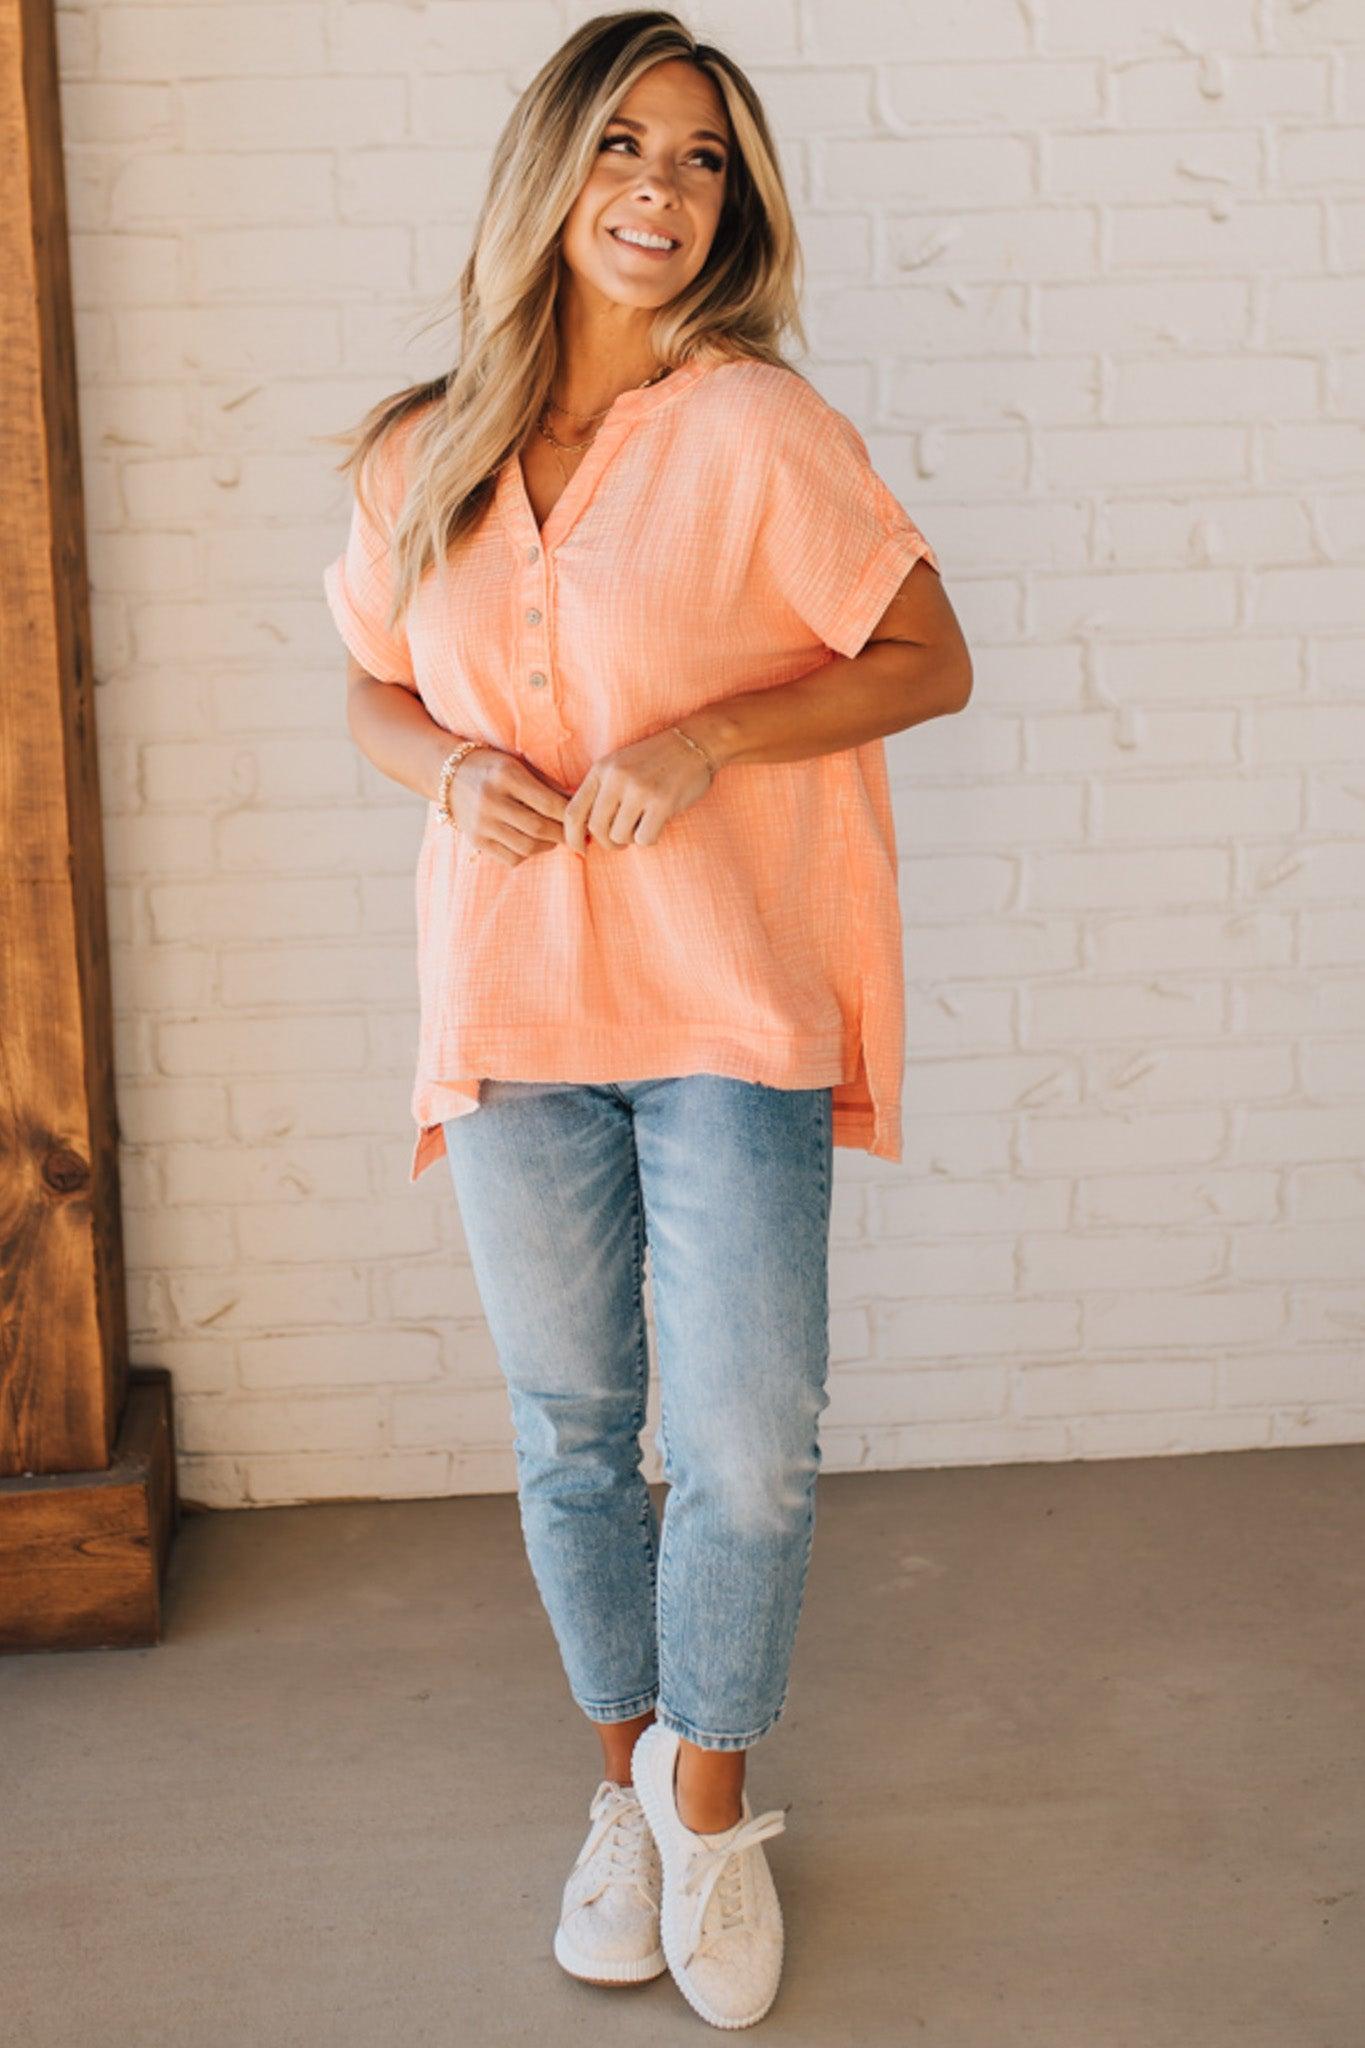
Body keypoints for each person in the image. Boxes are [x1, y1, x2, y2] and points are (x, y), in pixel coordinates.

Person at [322, 9, 972, 2031]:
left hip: (724, 1006)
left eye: (702, 161)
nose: (661, 194)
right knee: (570, 1441)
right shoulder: (418, 448)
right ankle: (616, 1792)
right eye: (623, 146)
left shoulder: (758, 429)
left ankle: (710, 1815)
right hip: (511, 1009)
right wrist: (441, 769)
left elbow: (925, 656)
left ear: (734, 205)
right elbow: (368, 683)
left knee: (746, 1449)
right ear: (549, 173)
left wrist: (707, 736)